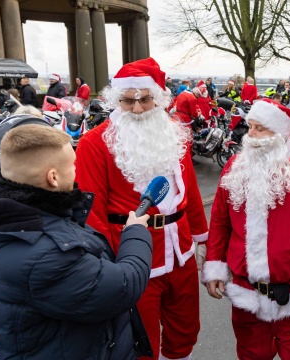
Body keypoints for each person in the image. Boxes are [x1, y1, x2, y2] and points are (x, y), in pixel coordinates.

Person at [0, 124, 153, 359]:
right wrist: (135, 232)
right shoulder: (46, 255)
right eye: (72, 165)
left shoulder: (12, 218)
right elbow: (123, 287)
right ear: (53, 177)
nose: (76, 171)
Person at [75, 57, 209, 360]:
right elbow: (91, 212)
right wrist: (104, 264)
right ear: (116, 100)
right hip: (133, 258)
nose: (137, 109)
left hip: (180, 250)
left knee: (185, 331)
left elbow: (191, 193)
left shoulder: (176, 135)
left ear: (158, 99)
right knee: (142, 339)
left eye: (145, 100)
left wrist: (203, 239)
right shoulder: (94, 144)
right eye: (127, 101)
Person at [202, 98, 290, 360]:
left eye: (259, 129)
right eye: (249, 126)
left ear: (280, 133)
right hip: (246, 295)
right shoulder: (235, 166)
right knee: (250, 354)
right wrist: (215, 265)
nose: (250, 135)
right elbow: (220, 220)